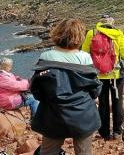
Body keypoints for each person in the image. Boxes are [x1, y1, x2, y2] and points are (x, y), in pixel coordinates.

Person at [31, 19, 102, 155]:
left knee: (48, 152)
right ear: (80, 37)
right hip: (83, 115)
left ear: (57, 33)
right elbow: (95, 90)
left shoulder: (46, 57)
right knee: (84, 152)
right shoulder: (85, 58)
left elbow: (37, 91)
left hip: (53, 115)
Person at [82, 14, 124, 141]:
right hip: (116, 75)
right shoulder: (118, 33)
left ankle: (104, 133)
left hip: (98, 75)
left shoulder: (91, 33)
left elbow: (84, 53)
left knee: (102, 103)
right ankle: (117, 132)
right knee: (117, 102)